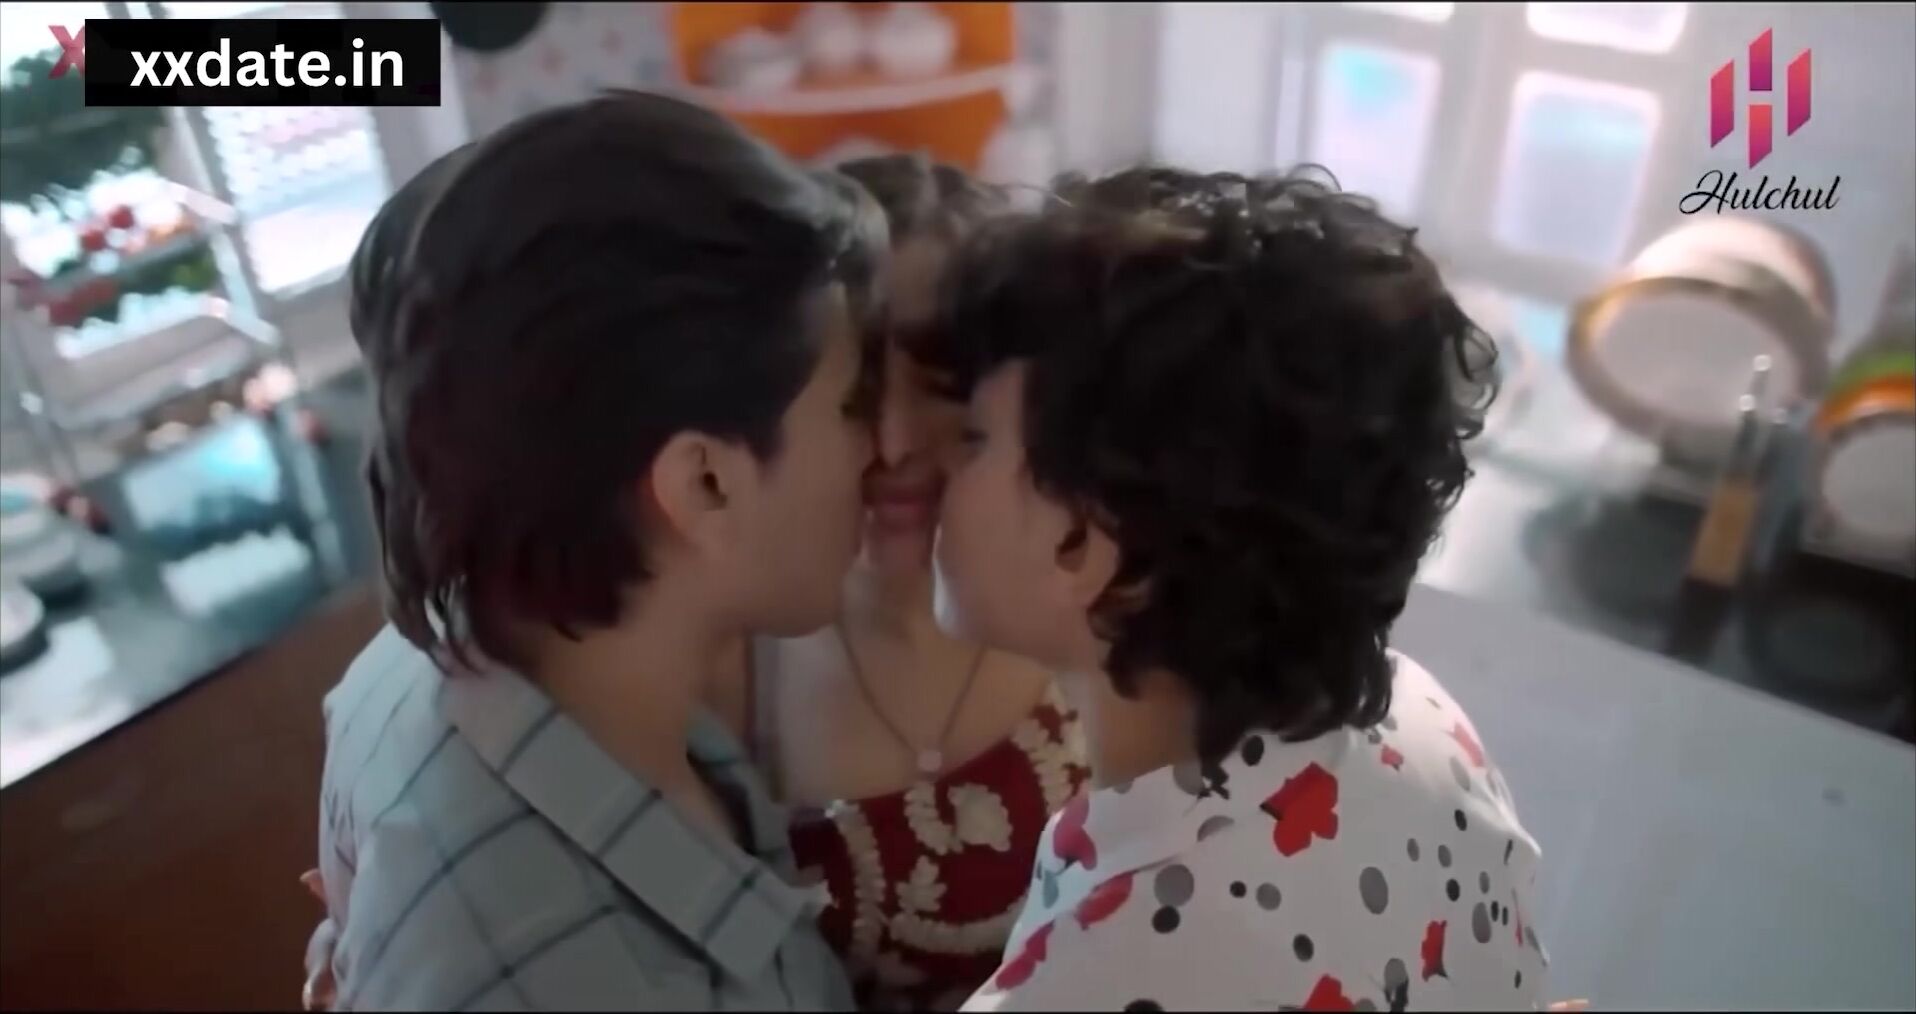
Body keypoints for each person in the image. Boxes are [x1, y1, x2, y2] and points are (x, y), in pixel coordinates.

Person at [910, 166, 1549, 1011]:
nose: (927, 463)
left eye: (974, 438)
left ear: (1082, 543)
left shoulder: (1105, 975)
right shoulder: (1422, 719)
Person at [311, 91, 884, 1010]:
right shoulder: (595, 978)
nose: (880, 452)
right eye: (851, 409)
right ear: (704, 482)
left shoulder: (409, 661)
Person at [711, 154, 1092, 1012]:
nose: (893, 444)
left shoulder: (1089, 596)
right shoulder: (737, 656)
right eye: (855, 395)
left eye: (941, 386)